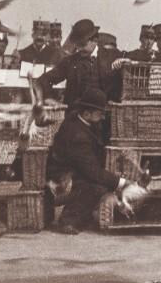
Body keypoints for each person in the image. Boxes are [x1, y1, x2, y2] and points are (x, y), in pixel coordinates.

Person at [44, 88, 144, 234]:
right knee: (95, 187)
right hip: (61, 181)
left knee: (100, 183)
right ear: (86, 113)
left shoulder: (78, 120)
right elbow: (92, 172)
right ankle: (68, 220)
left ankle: (82, 216)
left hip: (71, 172)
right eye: (100, 113)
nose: (103, 117)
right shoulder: (79, 136)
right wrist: (122, 182)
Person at [37, 19, 123, 110]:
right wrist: (49, 98)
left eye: (82, 44)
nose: (78, 49)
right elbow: (44, 80)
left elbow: (135, 58)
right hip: (76, 117)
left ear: (94, 40)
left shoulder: (112, 56)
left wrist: (126, 60)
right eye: (76, 45)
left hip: (104, 117)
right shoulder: (70, 61)